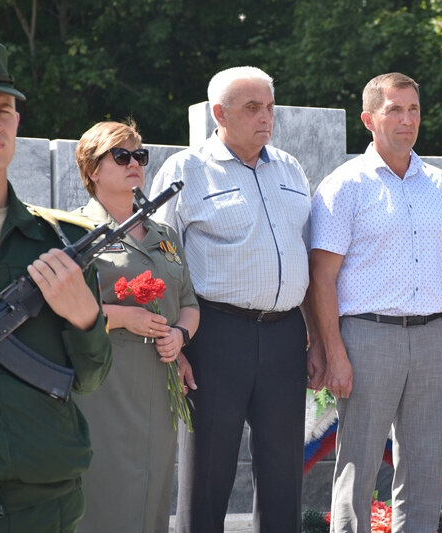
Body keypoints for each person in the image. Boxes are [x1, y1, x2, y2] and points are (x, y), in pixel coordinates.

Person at [149, 66, 320, 533]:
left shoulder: (290, 167)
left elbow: (304, 255)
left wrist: (318, 340)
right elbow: (161, 262)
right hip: (216, 334)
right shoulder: (185, 171)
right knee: (208, 474)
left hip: (286, 333)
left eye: (269, 106)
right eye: (252, 108)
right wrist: (177, 345)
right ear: (218, 114)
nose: (266, 117)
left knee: (285, 473)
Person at [309, 72, 442, 532]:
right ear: (369, 119)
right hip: (366, 336)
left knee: (425, 466)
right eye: (394, 110)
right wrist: (333, 351)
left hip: (430, 337)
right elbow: (321, 277)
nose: (407, 120)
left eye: (414, 110)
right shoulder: (345, 185)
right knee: (359, 463)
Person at [0, 40, 112, 532]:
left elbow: (91, 379)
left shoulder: (60, 243)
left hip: (47, 498)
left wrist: (85, 317)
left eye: (3, 110)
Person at [71, 120, 200, 533]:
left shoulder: (164, 234)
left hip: (158, 383)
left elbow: (189, 303)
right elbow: (60, 307)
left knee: (153, 489)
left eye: (139, 156)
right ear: (92, 170)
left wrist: (179, 337)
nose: (134, 164)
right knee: (107, 489)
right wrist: (125, 315)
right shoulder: (73, 232)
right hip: (105, 379)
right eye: (121, 155)